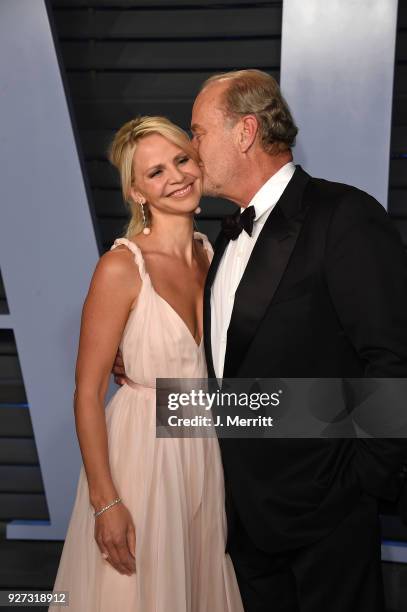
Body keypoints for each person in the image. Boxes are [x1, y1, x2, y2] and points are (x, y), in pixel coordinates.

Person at [110, 69, 407, 612]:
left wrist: (361, 484)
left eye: (198, 133)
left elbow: (393, 359)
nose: (192, 149)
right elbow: (238, 383)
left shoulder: (343, 216)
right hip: (240, 524)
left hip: (327, 521)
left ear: (245, 132)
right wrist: (151, 393)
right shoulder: (218, 241)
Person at [49, 116, 244, 612]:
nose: (175, 176)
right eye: (155, 172)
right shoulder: (120, 267)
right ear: (137, 191)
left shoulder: (212, 254)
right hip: (143, 456)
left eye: (181, 159)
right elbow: (87, 394)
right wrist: (106, 501)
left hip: (203, 452)